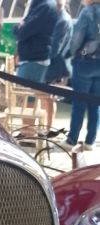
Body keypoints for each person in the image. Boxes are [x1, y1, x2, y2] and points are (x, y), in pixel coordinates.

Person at [61, 0, 100, 151]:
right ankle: (90, 141)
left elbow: (77, 38)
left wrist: (70, 53)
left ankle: (72, 140)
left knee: (79, 103)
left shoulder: (88, 11)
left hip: (85, 62)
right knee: (95, 104)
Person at [43, 0, 73, 129]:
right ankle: (47, 127)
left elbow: (55, 47)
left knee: (49, 98)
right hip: (56, 64)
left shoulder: (62, 20)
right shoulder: (60, 17)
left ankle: (48, 127)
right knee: (48, 98)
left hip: (55, 65)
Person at [13, 0, 59, 84]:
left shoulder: (45, 6)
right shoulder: (42, 5)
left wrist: (17, 28)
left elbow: (23, 32)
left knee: (24, 91)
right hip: (33, 59)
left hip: (33, 61)